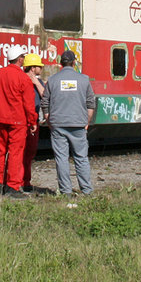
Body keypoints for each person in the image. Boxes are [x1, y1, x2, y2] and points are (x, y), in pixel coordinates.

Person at [0, 44, 37, 197]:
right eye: (23, 58)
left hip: (1, 119)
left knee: (1, 151)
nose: (24, 60)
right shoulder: (23, 78)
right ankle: (12, 187)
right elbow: (29, 104)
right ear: (19, 59)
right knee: (15, 153)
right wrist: (33, 122)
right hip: (18, 121)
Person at [43, 49, 97, 196]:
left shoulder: (52, 80)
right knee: (81, 158)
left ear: (61, 63)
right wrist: (87, 121)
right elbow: (91, 103)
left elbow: (45, 103)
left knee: (61, 158)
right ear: (74, 63)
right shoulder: (84, 80)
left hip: (58, 124)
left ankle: (65, 191)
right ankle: (86, 190)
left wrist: (49, 120)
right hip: (78, 124)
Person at [21, 51, 46, 192]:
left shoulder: (38, 81)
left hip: (33, 121)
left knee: (29, 153)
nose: (41, 69)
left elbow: (45, 95)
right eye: (39, 66)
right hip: (26, 122)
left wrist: (36, 82)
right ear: (32, 68)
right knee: (25, 153)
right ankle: (23, 181)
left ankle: (25, 180)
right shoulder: (21, 80)